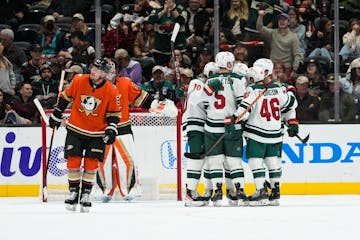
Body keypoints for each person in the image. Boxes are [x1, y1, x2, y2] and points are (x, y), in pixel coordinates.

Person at [48, 58, 121, 212]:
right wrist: (56, 113)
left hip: (97, 133)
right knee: (73, 161)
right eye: (93, 67)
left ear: (105, 74)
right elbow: (66, 97)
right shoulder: (79, 80)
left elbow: (114, 113)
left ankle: (86, 194)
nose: (93, 71)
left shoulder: (111, 90)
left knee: (91, 163)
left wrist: (111, 128)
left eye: (97, 69)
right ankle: (73, 191)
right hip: (75, 129)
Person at [232, 65, 298, 206]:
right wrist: (290, 91)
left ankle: (261, 192)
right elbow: (291, 104)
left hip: (257, 133)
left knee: (255, 161)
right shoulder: (277, 90)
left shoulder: (252, 91)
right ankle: (275, 193)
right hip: (275, 133)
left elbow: (245, 110)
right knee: (273, 161)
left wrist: (234, 119)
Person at [98, 59, 158, 202]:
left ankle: (129, 190)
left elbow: (141, 99)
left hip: (123, 128)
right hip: (101, 129)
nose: (108, 74)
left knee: (128, 160)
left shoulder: (125, 83)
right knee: (101, 161)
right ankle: (104, 190)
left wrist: (157, 103)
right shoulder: (93, 87)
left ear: (116, 72)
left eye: (110, 70)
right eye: (105, 71)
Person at [201, 51, 247, 206]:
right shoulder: (238, 79)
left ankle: (217, 192)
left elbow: (199, 102)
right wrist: (235, 119)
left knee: (214, 162)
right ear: (230, 64)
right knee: (234, 162)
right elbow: (244, 106)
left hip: (212, 126)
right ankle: (239, 190)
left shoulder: (210, 80)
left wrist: (208, 89)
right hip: (232, 126)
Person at [183, 61, 219, 207]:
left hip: (206, 125)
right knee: (197, 158)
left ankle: (207, 191)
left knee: (209, 159)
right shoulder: (197, 82)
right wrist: (209, 89)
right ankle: (190, 193)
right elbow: (194, 100)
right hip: (195, 123)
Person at [257, 11, 303, 80]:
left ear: (288, 22)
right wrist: (260, 16)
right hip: (272, 66)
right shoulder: (273, 32)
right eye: (280, 19)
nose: (282, 21)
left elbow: (297, 54)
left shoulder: (293, 36)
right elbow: (260, 28)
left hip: (286, 68)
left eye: (284, 20)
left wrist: (294, 69)